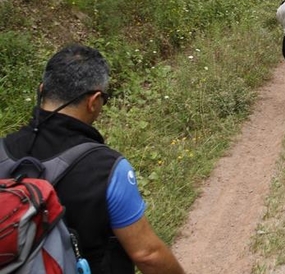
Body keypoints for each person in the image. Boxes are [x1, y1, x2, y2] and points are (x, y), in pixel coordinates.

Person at [0, 44, 186, 274]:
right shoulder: (108, 169)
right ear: (94, 101)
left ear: (41, 91)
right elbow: (147, 255)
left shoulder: (3, 151)